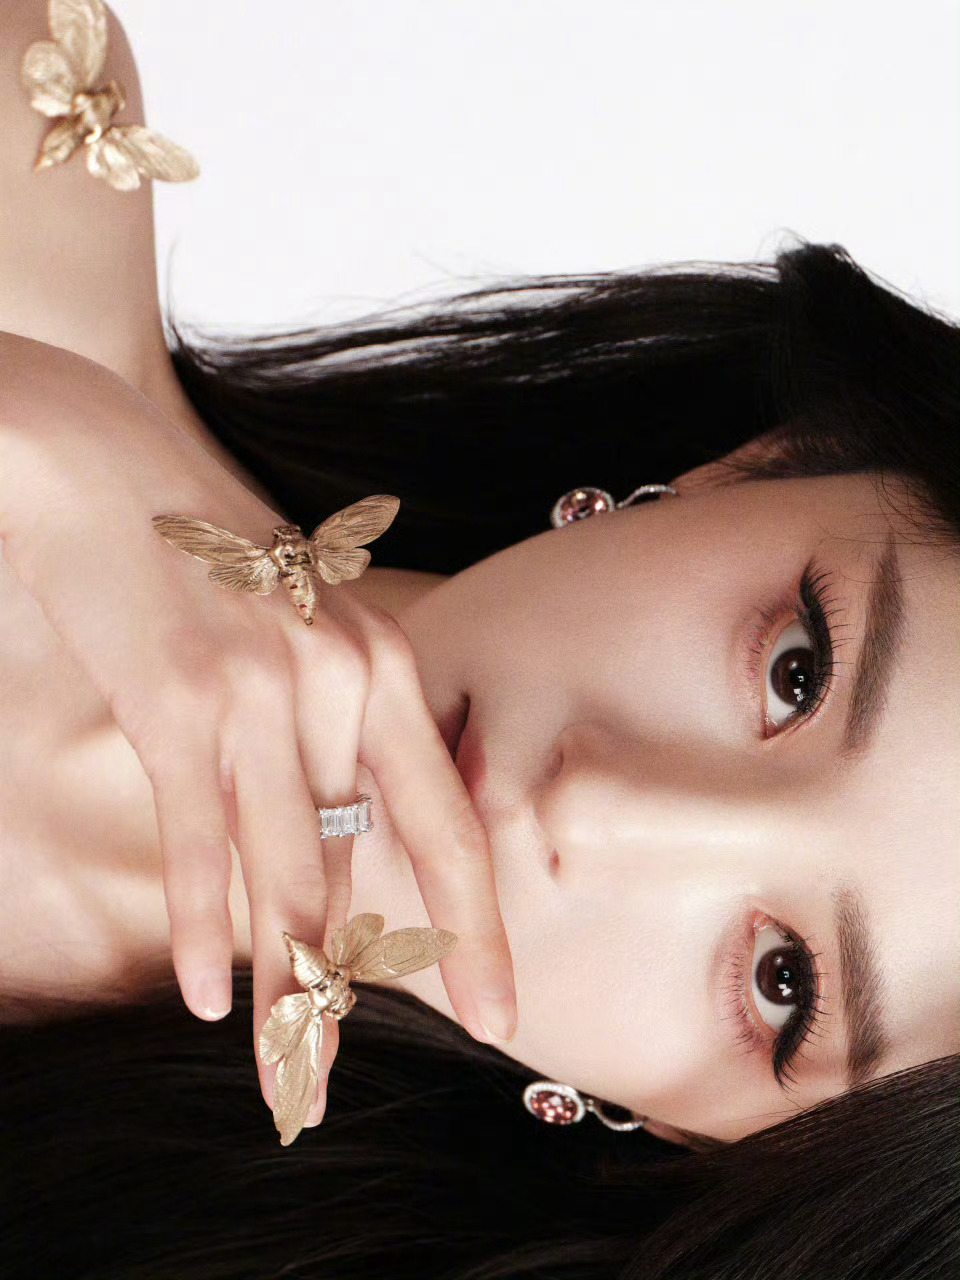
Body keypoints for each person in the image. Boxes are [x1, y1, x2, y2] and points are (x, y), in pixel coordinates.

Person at [1, 3, 957, 1277]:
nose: (594, 811)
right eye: (800, 669)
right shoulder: (34, 128)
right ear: (759, 466)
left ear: (695, 1138)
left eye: (785, 983)